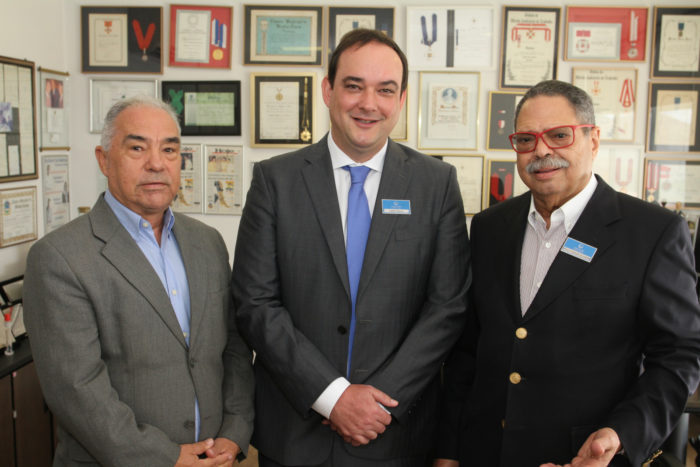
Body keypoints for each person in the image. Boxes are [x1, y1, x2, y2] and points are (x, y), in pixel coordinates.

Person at [232, 28, 470, 467]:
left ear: (401, 100)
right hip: (295, 437)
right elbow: (255, 303)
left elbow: (448, 307)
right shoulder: (275, 181)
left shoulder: (436, 183)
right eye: (354, 86)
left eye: (385, 90)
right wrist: (332, 397)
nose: (368, 103)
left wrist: (377, 404)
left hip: (395, 435)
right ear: (328, 90)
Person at [434, 80, 700, 467]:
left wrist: (621, 434)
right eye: (526, 139)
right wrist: (448, 450)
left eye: (559, 135)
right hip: (485, 451)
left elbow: (679, 354)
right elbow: (468, 351)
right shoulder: (490, 227)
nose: (541, 150)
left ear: (593, 140)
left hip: (583, 456)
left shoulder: (652, 232)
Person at [23, 96, 254, 467]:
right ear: (103, 159)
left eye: (170, 149)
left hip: (213, 456)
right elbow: (76, 390)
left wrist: (234, 432)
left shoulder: (207, 242)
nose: (157, 164)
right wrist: (166, 457)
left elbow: (234, 349)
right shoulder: (59, 257)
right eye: (137, 148)